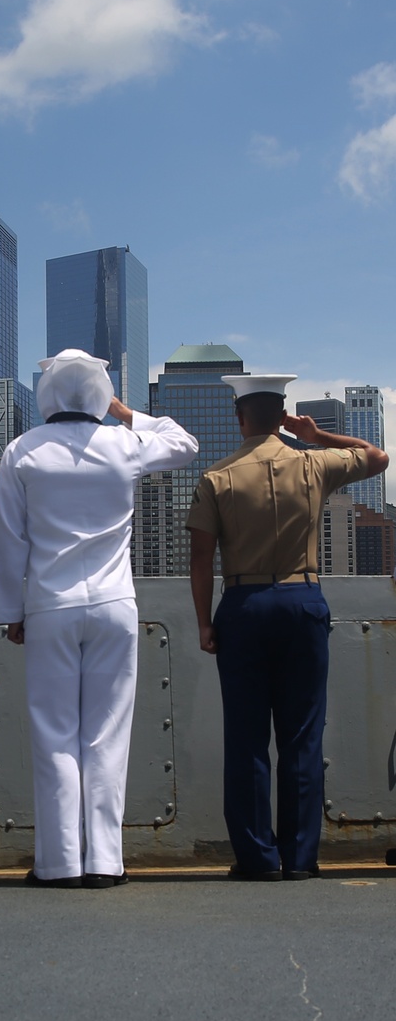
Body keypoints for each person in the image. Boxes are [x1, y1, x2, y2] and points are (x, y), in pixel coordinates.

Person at [0, 350, 199, 888]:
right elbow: (184, 443)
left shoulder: (23, 451)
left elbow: (10, 540)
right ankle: (105, 862)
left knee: (54, 734)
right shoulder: (122, 445)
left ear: (48, 391)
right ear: (100, 392)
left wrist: (10, 612)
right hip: (114, 606)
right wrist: (126, 413)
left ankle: (58, 863)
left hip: (50, 606)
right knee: (107, 735)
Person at [187, 374, 388, 882]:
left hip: (244, 603)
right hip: (302, 601)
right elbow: (377, 456)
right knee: (302, 736)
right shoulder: (314, 463)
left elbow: (200, 557)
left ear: (239, 418)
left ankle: (257, 859)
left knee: (248, 739)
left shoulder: (217, 476)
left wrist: (204, 623)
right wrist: (315, 436)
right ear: (282, 417)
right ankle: (300, 859)